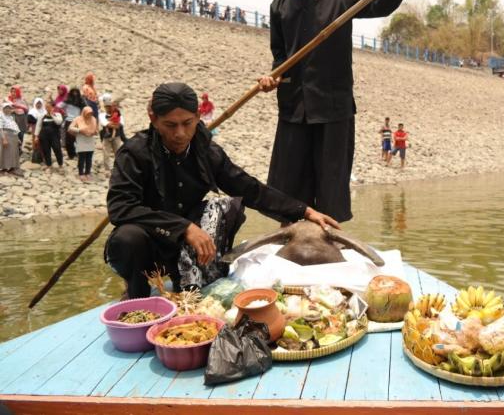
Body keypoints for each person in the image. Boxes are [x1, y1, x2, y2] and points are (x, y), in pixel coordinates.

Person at [105, 82, 340, 298]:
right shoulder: (134, 153)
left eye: (187, 123)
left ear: (198, 117)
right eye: (170, 125)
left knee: (228, 209)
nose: (180, 134)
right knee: (127, 239)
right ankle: (137, 293)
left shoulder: (206, 151)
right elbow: (121, 208)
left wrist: (304, 211)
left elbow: (249, 188)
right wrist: (183, 227)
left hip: (191, 246)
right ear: (153, 119)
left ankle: (188, 280)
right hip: (152, 242)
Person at [258, 0, 423, 223]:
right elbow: (280, 55)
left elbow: (379, 4)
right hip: (294, 105)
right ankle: (291, 235)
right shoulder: (280, 3)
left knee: (331, 179)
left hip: (333, 105)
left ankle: (329, 238)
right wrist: (273, 78)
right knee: (290, 176)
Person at [68, 106, 98, 181]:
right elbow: (70, 128)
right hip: (81, 139)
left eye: (90, 113)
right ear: (84, 113)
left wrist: (95, 132)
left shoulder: (93, 119)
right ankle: (81, 173)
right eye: (88, 113)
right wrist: (79, 130)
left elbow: (96, 129)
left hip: (90, 140)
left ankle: (87, 172)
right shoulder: (78, 119)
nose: (89, 115)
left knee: (89, 158)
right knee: (81, 158)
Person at [34, 100, 65, 172]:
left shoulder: (58, 114)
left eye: (49, 107)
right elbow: (38, 126)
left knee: (57, 149)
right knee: (46, 150)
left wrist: (52, 114)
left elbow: (59, 122)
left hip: (55, 135)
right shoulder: (42, 115)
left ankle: (60, 165)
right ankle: (49, 165)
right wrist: (36, 136)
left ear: (53, 107)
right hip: (44, 136)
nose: (47, 108)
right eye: (46, 107)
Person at [99, 94, 126, 170]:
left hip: (117, 136)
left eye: (109, 106)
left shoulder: (117, 113)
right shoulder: (102, 114)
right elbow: (105, 123)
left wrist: (112, 124)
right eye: (107, 106)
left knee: (118, 152)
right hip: (106, 137)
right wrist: (114, 124)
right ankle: (107, 168)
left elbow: (121, 124)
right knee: (106, 154)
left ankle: (118, 167)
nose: (108, 108)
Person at [62, 87, 85, 159]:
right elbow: (59, 106)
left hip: (77, 121)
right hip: (68, 120)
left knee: (76, 138)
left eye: (76, 92)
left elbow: (85, 109)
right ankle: (70, 154)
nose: (75, 94)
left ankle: (77, 153)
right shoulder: (67, 100)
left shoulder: (81, 101)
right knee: (68, 139)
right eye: (73, 92)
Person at [0, 102, 22, 176]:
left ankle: (11, 168)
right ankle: (4, 168)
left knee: (13, 153)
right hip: (6, 135)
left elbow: (14, 128)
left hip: (13, 136)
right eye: (6, 108)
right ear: (3, 109)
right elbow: (1, 128)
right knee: (6, 153)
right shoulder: (1, 116)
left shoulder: (11, 117)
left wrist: (18, 138)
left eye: (9, 108)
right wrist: (4, 139)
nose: (7, 110)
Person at [27, 97, 46, 164]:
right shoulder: (32, 111)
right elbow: (30, 120)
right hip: (35, 129)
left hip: (43, 129)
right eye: (37, 103)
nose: (38, 105)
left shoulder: (44, 111)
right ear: (35, 104)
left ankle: (43, 157)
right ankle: (36, 158)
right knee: (36, 142)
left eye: (40, 103)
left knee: (43, 143)